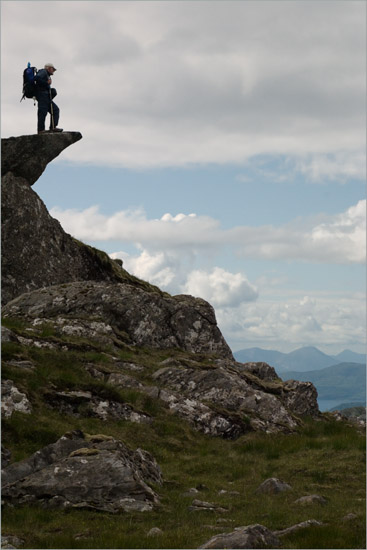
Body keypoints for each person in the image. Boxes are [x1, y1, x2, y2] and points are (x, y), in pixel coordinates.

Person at [35, 63, 63, 134]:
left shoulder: (46, 74)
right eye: (53, 69)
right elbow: (37, 78)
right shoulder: (43, 72)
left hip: (46, 96)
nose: (53, 71)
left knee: (55, 110)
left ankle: (53, 127)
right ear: (48, 68)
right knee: (43, 112)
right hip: (42, 95)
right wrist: (46, 83)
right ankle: (41, 130)